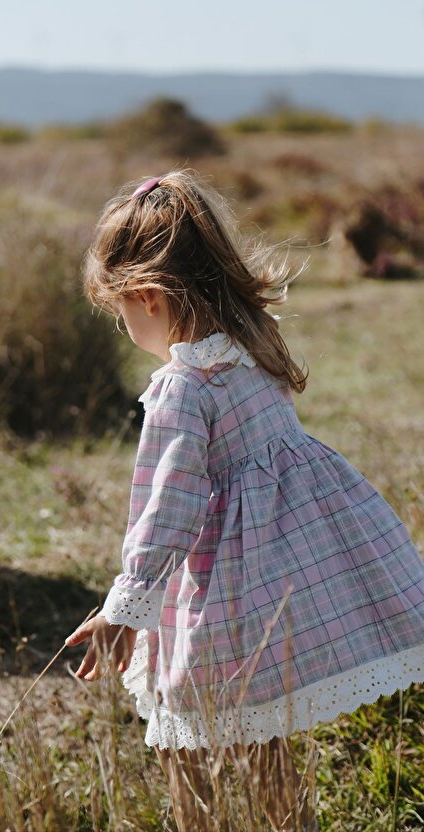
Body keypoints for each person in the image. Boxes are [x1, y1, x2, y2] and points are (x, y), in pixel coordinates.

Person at [64, 170, 424, 832]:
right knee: (265, 751)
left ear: (145, 296)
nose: (124, 328)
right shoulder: (252, 346)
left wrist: (124, 608)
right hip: (281, 582)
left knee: (184, 742)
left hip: (220, 597)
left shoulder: (183, 386)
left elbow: (167, 514)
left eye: (120, 314)